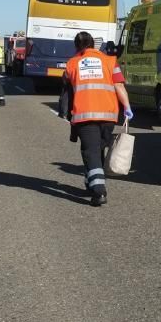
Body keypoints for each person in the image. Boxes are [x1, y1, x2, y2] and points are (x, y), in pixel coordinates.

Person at [61, 32, 132, 206]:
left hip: (85, 115)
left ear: (76, 46)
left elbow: (65, 86)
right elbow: (119, 86)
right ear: (94, 45)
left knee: (90, 151)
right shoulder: (110, 61)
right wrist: (127, 107)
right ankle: (90, 181)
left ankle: (99, 190)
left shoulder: (72, 64)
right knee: (98, 149)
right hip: (108, 115)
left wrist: (64, 111)